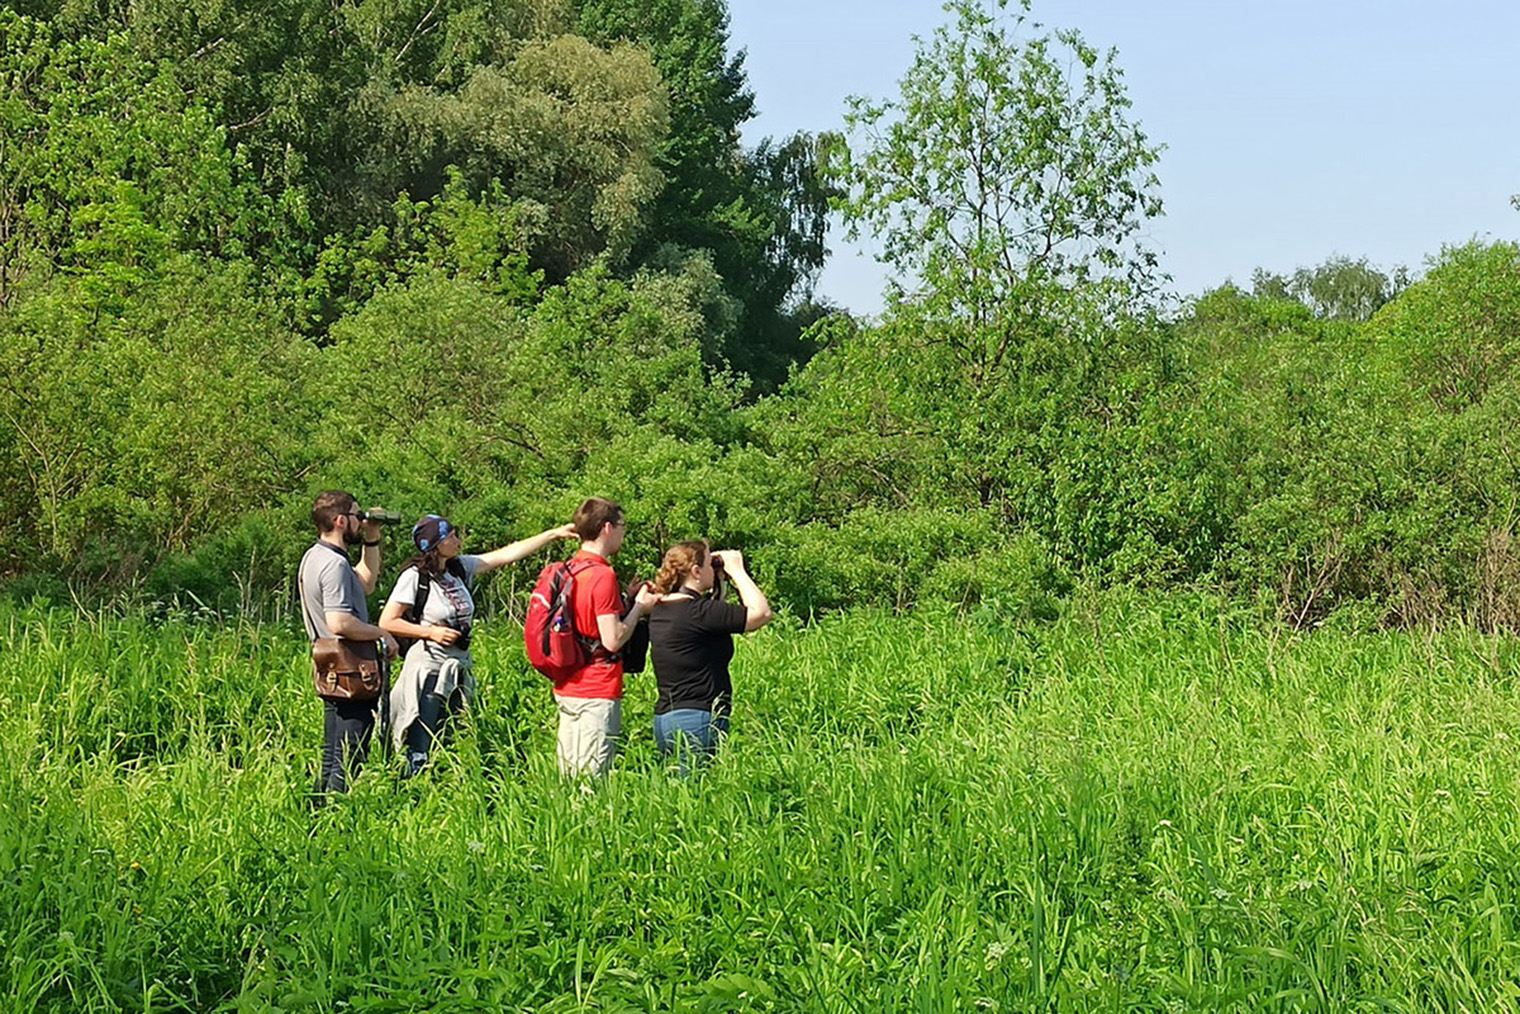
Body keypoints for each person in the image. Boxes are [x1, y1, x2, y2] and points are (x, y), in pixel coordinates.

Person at [379, 515, 577, 776]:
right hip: (429, 669)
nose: (457, 541)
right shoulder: (415, 576)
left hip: (459, 666)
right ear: (435, 544)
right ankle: (411, 792)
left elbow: (507, 554)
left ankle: (443, 791)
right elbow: (387, 620)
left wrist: (552, 534)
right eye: (450, 537)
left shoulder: (459, 567)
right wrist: (430, 632)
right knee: (422, 739)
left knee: (451, 738)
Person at [297, 490, 399, 795]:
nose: (361, 519)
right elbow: (340, 622)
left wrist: (372, 538)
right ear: (341, 521)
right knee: (349, 757)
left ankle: (317, 816)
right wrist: (382, 633)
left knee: (332, 755)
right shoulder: (335, 565)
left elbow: (365, 583)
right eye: (357, 515)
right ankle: (339, 826)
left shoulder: (316, 557)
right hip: (351, 672)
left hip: (330, 670)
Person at [551, 497, 659, 779]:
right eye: (623, 526)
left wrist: (625, 600)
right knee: (591, 781)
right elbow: (612, 639)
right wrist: (640, 608)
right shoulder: (602, 575)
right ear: (607, 528)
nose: (624, 532)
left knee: (569, 778)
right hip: (597, 688)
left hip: (567, 685)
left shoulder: (568, 569)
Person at [647, 541, 773, 774]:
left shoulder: (661, 611)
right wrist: (737, 570)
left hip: (666, 719)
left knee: (680, 799)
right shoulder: (699, 613)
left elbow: (708, 625)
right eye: (707, 564)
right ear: (695, 572)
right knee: (697, 796)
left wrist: (718, 584)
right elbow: (761, 613)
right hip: (698, 719)